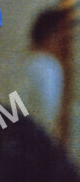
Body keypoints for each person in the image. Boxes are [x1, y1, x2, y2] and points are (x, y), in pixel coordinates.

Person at [18, 8, 69, 139]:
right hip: (35, 142)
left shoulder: (28, 64)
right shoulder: (48, 66)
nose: (66, 44)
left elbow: (14, 107)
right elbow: (47, 114)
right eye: (64, 36)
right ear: (51, 36)